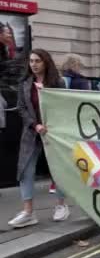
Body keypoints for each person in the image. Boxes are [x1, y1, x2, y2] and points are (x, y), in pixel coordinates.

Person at [8, 49, 70, 228]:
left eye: (37, 61)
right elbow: (21, 108)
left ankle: (61, 205)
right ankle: (28, 212)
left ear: (45, 63)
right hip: (31, 133)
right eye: (31, 61)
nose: (33, 64)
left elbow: (65, 105)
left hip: (53, 134)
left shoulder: (57, 82)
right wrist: (35, 125)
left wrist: (47, 94)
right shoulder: (25, 83)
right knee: (26, 171)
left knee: (56, 169)